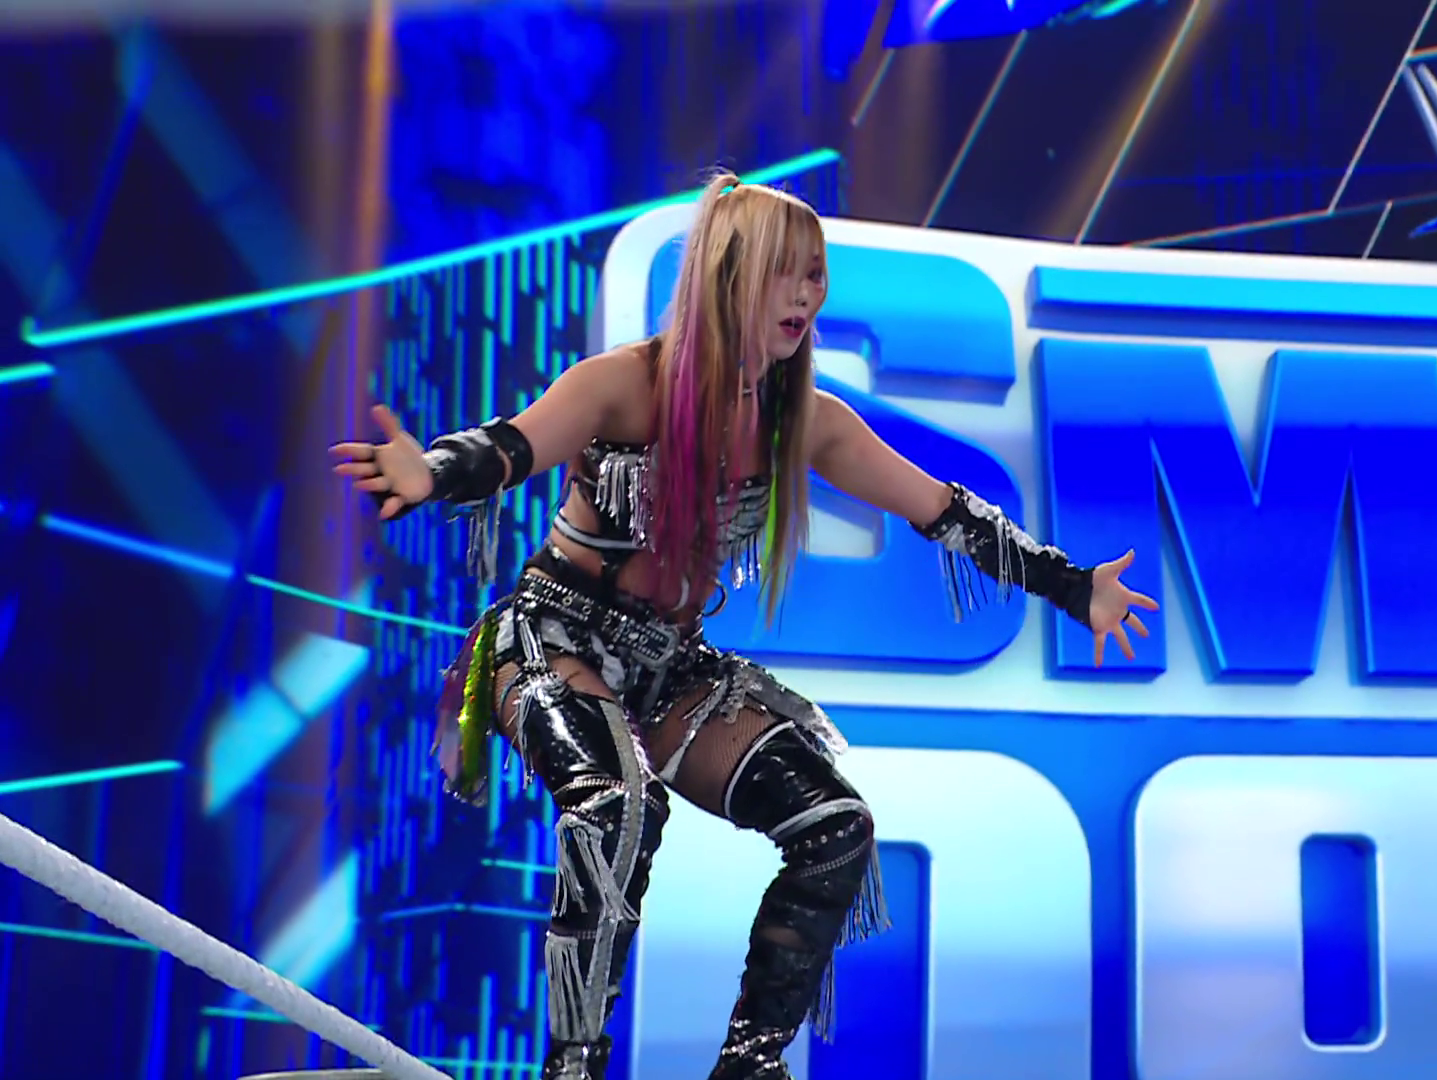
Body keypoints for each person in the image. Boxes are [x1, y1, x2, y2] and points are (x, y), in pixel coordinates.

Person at [328, 173, 1158, 1080]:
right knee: (615, 806)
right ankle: (572, 1067)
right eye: (784, 273)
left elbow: (941, 510)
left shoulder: (804, 422)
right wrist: (431, 473)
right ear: (729, 277)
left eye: (815, 275)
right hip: (553, 642)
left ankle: (750, 1064)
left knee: (835, 826)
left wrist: (1074, 587)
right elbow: (512, 446)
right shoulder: (626, 385)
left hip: (669, 670)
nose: (805, 296)